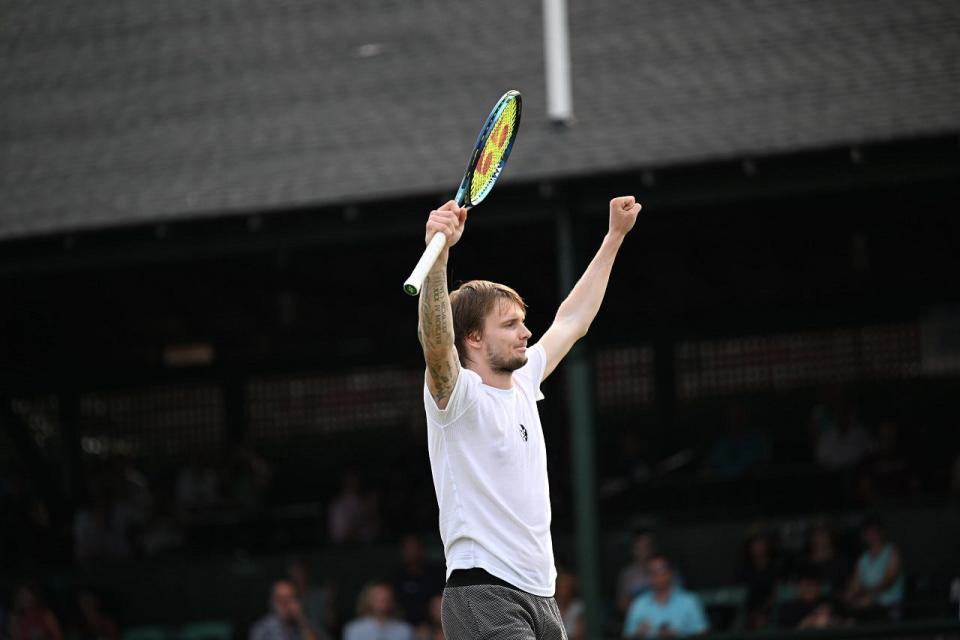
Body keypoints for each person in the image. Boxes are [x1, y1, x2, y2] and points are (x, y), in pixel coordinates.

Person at [417, 196, 642, 639]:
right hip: (483, 592)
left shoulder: (524, 381)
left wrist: (614, 237)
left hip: (541, 595)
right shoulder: (457, 396)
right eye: (510, 325)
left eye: (523, 322)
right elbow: (436, 342)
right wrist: (439, 260)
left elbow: (573, 319)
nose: (526, 332)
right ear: (475, 337)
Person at [622, 554, 708, 639]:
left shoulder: (689, 601)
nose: (658, 576)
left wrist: (678, 635)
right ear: (648, 577)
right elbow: (627, 636)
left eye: (662, 571)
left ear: (671, 573)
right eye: (653, 572)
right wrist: (638, 634)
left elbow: (702, 633)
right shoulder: (639, 604)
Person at [844, 515, 904, 621]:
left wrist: (869, 594)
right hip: (867, 605)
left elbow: (888, 580)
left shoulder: (892, 552)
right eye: (868, 532)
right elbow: (856, 584)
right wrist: (849, 596)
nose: (871, 535)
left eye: (875, 531)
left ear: (882, 532)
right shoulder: (863, 559)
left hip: (890, 606)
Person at [393, 535, 444, 627]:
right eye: (407, 548)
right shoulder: (397, 577)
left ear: (421, 550)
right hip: (403, 624)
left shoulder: (435, 575)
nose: (410, 552)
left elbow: (439, 602)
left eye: (413, 548)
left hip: (432, 624)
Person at [250, 580, 325, 640]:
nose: (285, 604)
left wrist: (301, 618)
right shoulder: (262, 629)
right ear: (272, 601)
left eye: (290, 598)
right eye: (280, 599)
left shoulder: (302, 625)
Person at [343, 582, 414, 640]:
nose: (382, 599)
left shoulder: (404, 629)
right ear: (368, 599)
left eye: (386, 597)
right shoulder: (354, 629)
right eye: (377, 596)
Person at [616, 529, 658, 615]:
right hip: (640, 620)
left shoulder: (666, 569)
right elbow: (622, 606)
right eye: (640, 547)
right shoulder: (627, 575)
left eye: (647, 546)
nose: (644, 551)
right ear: (633, 550)